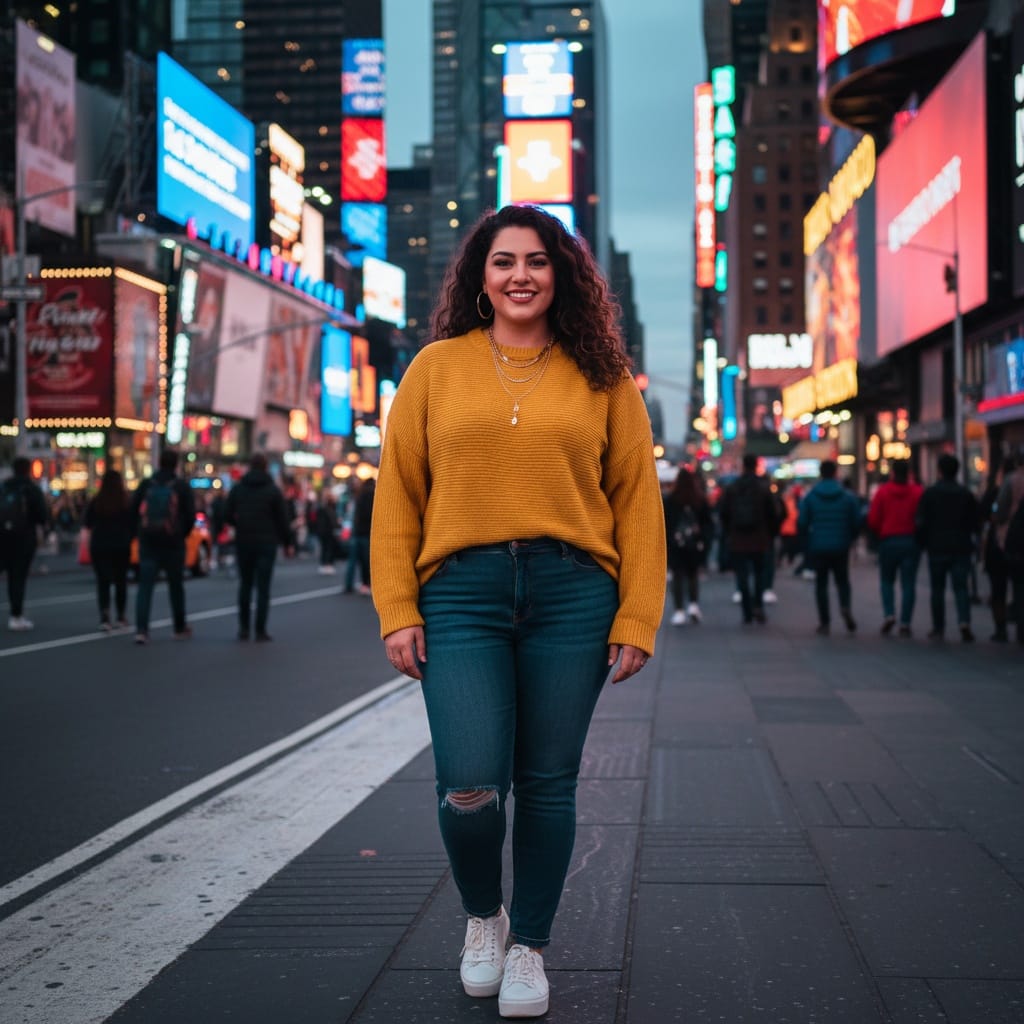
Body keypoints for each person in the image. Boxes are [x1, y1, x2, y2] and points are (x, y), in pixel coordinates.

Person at [369, 204, 665, 1019]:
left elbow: (638, 501)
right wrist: (397, 606)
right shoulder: (434, 368)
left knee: (546, 782)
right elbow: (398, 494)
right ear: (481, 276)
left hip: (574, 593)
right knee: (469, 785)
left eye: (537, 261)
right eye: (504, 261)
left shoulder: (603, 375)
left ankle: (529, 943)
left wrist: (637, 615)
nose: (521, 275)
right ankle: (484, 917)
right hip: (460, 593)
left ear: (561, 275)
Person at [224, 452, 293, 641]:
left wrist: (239, 524)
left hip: (244, 541)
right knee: (263, 588)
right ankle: (260, 630)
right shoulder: (272, 490)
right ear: (265, 467)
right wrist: (288, 543)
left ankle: (244, 628)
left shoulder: (239, 489)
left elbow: (226, 513)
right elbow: (283, 520)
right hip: (266, 542)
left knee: (245, 585)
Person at [131, 448, 195, 645]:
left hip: (149, 541)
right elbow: (190, 516)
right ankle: (179, 627)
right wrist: (180, 533)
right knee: (176, 586)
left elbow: (133, 510)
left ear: (159, 462)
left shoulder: (146, 484)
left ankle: (142, 630)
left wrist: (140, 532)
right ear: (176, 464)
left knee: (145, 587)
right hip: (173, 543)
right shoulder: (181, 486)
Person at [915, 453, 979, 642]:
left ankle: (938, 626)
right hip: (960, 546)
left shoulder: (931, 493)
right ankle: (964, 621)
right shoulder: (965, 493)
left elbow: (921, 521)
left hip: (937, 547)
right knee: (961, 587)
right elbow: (974, 522)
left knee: (938, 589)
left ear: (940, 471)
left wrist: (922, 542)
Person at [798, 460, 862, 635]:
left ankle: (824, 621)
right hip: (841, 544)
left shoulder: (811, 496)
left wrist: (808, 540)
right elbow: (856, 520)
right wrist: (850, 537)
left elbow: (802, 522)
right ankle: (845, 606)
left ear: (820, 473)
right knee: (842, 581)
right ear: (835, 473)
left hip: (818, 545)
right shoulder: (847, 496)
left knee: (821, 584)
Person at [719, 453, 778, 625]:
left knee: (742, 575)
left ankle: (746, 610)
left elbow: (723, 512)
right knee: (760, 573)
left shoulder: (732, 487)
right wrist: (770, 534)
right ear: (756, 466)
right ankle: (758, 605)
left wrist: (729, 532)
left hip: (738, 538)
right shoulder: (763, 487)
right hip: (759, 538)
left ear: (743, 466)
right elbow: (773, 513)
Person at [866, 461, 923, 637]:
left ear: (892, 473)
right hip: (910, 541)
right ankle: (905, 622)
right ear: (909, 473)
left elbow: (873, 519)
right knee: (909, 583)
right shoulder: (917, 492)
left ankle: (889, 613)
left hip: (888, 541)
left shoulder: (882, 492)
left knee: (886, 580)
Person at [0, 457, 49, 631]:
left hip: (2, 537)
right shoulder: (31, 489)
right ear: (28, 470)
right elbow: (42, 515)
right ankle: (16, 616)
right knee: (17, 577)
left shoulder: (4, 487)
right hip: (23, 538)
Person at [83, 469, 133, 631]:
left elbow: (87, 523)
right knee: (121, 581)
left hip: (100, 544)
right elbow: (133, 523)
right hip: (120, 544)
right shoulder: (125, 501)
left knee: (103, 582)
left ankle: (104, 617)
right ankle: (120, 616)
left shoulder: (97, 501)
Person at [663, 466, 712, 624]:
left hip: (676, 544)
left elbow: (665, 523)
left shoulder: (671, 499)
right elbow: (708, 523)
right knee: (693, 574)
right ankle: (693, 604)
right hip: (695, 544)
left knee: (677, 576)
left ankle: (679, 610)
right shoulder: (699, 499)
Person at [990, 454, 1024, 644]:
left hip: (1011, 538)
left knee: (1006, 585)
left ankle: (1005, 627)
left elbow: (1000, 510)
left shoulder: (1011, 480)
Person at [344, 476, 375, 595]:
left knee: (352, 560)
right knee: (366, 560)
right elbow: (370, 515)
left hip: (356, 531)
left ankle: (348, 584)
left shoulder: (359, 496)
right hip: (366, 532)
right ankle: (366, 584)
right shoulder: (371, 495)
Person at [314, 490, 339, 575]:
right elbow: (332, 519)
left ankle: (324, 564)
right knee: (328, 548)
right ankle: (327, 564)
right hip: (328, 531)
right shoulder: (327, 508)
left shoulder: (323, 507)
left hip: (324, 531)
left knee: (325, 548)